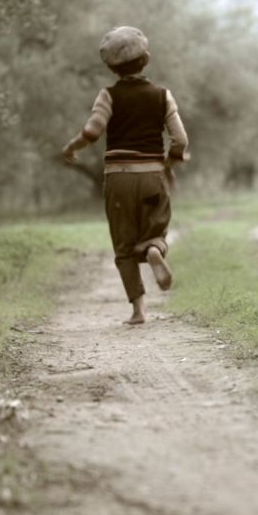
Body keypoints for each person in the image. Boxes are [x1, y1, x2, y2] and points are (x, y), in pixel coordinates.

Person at [61, 26, 189, 325]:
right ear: (147, 58)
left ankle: (138, 309)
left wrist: (72, 146)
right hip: (152, 177)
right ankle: (155, 251)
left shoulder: (108, 96)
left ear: (110, 66)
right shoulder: (162, 96)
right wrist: (169, 162)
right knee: (155, 230)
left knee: (123, 245)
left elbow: (93, 131)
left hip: (118, 179)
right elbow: (180, 139)